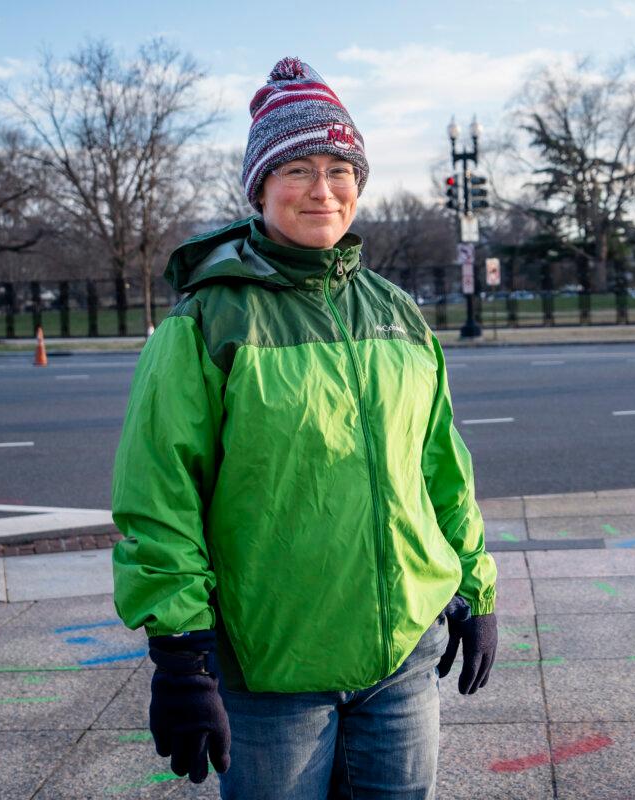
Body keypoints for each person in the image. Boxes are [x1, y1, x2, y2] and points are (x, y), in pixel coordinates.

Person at [111, 56, 498, 800]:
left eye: (338, 168)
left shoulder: (396, 312)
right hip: (273, 673)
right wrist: (181, 656)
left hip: (402, 662)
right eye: (296, 170)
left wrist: (477, 589)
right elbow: (160, 497)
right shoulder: (207, 321)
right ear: (259, 187)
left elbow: (442, 468)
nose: (322, 189)